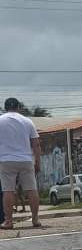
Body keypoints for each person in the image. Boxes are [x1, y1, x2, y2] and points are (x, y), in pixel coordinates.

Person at [0, 98, 42, 229]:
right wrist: (37, 162)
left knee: (8, 191)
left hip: (6, 160)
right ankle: (35, 219)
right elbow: (36, 144)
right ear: (18, 107)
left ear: (5, 107)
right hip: (25, 159)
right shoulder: (27, 121)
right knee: (31, 189)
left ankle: (9, 221)